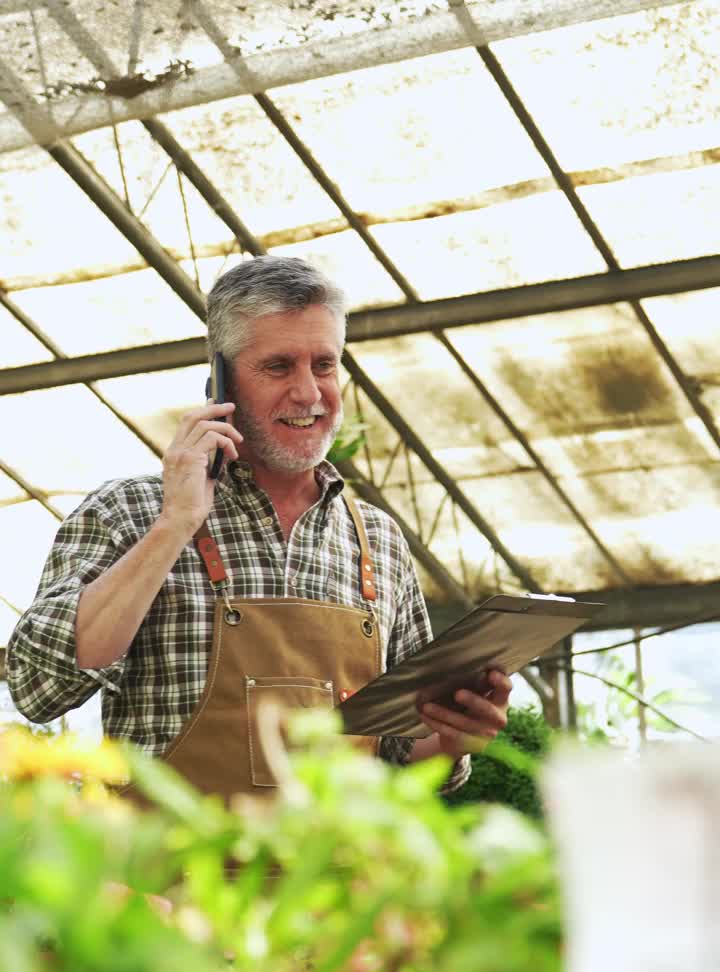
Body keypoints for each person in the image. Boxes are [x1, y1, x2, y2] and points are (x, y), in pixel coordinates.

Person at [6, 257, 512, 801]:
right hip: (169, 882)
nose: (309, 394)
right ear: (220, 382)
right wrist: (175, 524)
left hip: (335, 879)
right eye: (278, 367)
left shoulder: (379, 542)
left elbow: (395, 759)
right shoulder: (126, 511)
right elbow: (40, 687)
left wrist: (452, 739)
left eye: (324, 364)